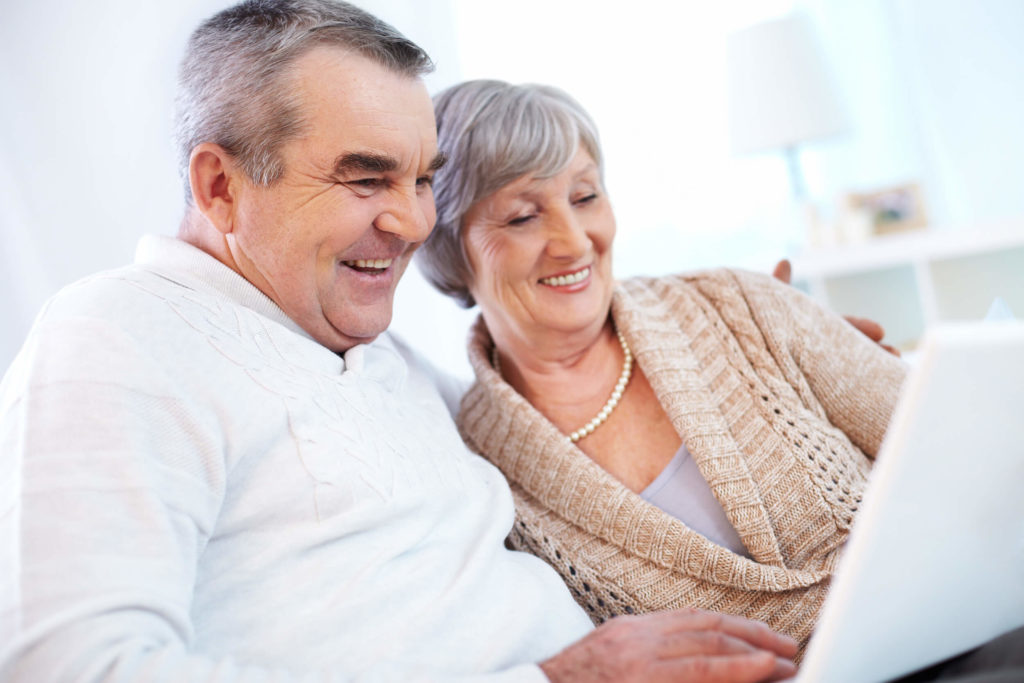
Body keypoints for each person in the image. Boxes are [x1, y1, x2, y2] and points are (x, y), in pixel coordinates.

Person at [0, 2, 801, 681]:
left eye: (421, 179)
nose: (416, 222)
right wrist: (561, 676)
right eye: (366, 178)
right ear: (220, 185)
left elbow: (554, 436)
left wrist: (753, 351)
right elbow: (80, 666)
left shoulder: (382, 360)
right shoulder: (119, 335)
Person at [416, 79, 909, 652]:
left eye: (585, 198)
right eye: (523, 217)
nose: (574, 243)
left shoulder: (738, 306)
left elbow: (954, 446)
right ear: (451, 246)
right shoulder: (473, 475)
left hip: (938, 629)